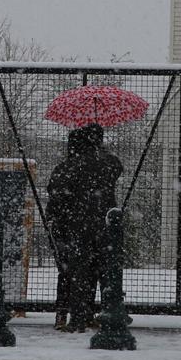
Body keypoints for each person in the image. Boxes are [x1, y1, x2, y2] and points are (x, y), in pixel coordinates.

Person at [46, 122, 123, 332]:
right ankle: (104, 313)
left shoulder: (68, 166)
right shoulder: (108, 163)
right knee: (103, 271)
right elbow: (118, 167)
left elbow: (56, 193)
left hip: (76, 226)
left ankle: (74, 316)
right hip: (104, 225)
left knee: (75, 271)